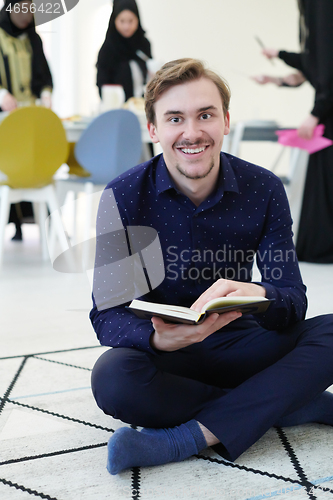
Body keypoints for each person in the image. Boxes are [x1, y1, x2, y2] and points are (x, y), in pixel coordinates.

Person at [90, 58, 333, 475]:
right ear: (153, 130)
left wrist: (260, 293)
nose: (192, 132)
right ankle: (287, 402)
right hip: (168, 353)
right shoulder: (123, 194)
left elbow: (293, 299)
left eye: (205, 115)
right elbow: (107, 313)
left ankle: (185, 438)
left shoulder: (265, 188)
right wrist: (159, 341)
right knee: (113, 378)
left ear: (225, 121)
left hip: (245, 342)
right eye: (174, 119)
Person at [252, 0, 333, 263]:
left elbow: (326, 69)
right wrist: (278, 67)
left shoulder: (321, 8)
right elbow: (314, 64)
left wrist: (316, 112)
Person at [0, 0, 53, 240]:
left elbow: (43, 73)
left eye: (30, 9)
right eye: (20, 8)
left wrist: (46, 92)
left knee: (37, 162)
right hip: (6, 117)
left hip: (30, 115)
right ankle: (15, 222)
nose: (26, 14)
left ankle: (48, 223)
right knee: (10, 165)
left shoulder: (33, 38)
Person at [96, 0, 152, 102]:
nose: (126, 27)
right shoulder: (108, 49)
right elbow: (102, 85)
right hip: (118, 108)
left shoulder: (144, 45)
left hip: (143, 106)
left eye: (131, 21)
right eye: (122, 21)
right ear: (114, 20)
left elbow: (149, 73)